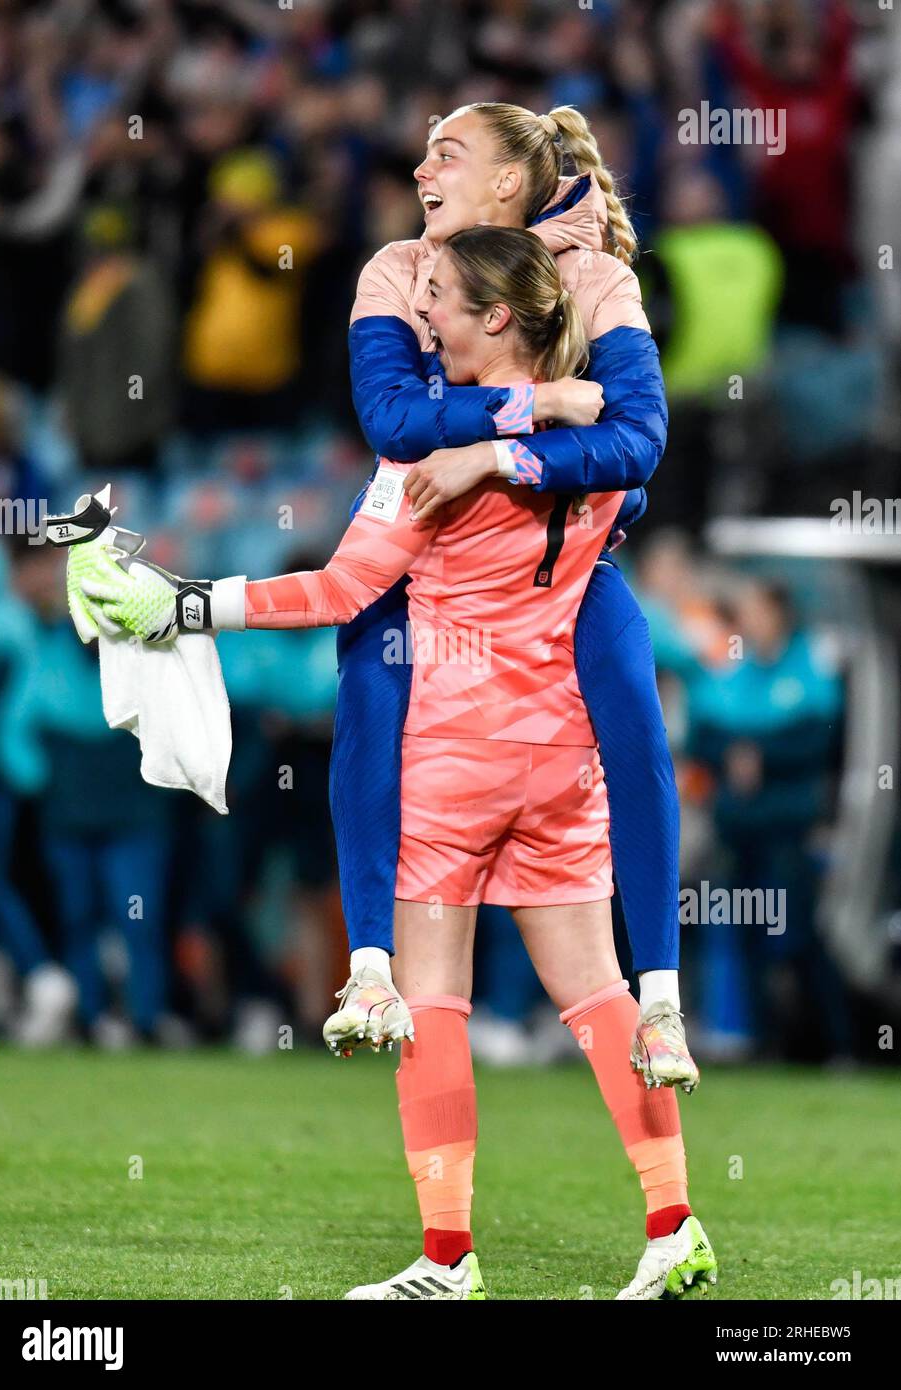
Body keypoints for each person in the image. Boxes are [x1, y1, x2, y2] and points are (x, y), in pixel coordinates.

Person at [69, 225, 716, 1301]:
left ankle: (448, 1257)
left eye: (443, 305)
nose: (426, 319)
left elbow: (332, 591)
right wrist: (539, 414)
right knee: (600, 999)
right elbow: (629, 471)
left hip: (453, 757)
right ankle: (673, 1224)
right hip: (558, 754)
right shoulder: (592, 450)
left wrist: (184, 602)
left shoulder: (425, 454)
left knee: (433, 1005)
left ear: (493, 318)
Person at [327, 102, 694, 1089]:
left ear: (505, 182)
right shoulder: (398, 270)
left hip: (552, 566)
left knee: (632, 718)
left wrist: (494, 452)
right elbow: (393, 420)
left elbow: (639, 442)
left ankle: (659, 995)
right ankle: (369, 971)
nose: (417, 169)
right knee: (366, 672)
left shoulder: (596, 278)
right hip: (429, 562)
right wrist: (538, 403)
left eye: (445, 152)